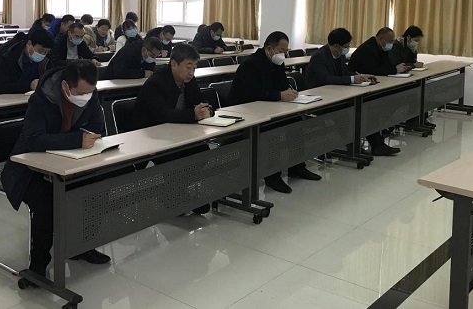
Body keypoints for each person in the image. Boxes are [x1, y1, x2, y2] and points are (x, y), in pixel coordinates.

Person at [0, 60, 113, 278]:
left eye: (90, 92)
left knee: (95, 190)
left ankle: (82, 246)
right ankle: (38, 265)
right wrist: (76, 140)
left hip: (71, 162)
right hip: (29, 167)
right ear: (64, 85)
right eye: (81, 93)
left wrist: (79, 140)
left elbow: (97, 127)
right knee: (47, 203)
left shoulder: (90, 94)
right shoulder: (41, 99)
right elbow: (34, 140)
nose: (87, 97)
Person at [229, 31, 321, 193]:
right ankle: (272, 176)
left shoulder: (277, 62)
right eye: (281, 50)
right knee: (273, 130)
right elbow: (252, 93)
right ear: (269, 48)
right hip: (244, 111)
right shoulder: (251, 64)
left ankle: (297, 166)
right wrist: (279, 95)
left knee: (296, 122)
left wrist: (288, 92)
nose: (283, 54)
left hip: (267, 107)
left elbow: (282, 84)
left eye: (285, 50)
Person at [131, 43, 213, 214]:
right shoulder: (156, 82)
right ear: (174, 64)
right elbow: (162, 115)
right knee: (176, 157)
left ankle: (172, 192)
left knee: (203, 151)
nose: (191, 72)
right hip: (150, 136)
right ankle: (173, 195)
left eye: (194, 67)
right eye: (188, 67)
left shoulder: (189, 81)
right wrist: (193, 115)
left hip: (177, 132)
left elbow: (201, 101)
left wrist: (207, 110)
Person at [305, 28, 398, 156]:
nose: (347, 49)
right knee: (346, 111)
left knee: (365, 106)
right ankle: (353, 146)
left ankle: (377, 145)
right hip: (321, 99)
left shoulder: (339, 55)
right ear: (336, 46)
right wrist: (352, 79)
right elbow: (326, 79)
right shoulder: (319, 57)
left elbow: (344, 73)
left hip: (337, 94)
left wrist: (360, 76)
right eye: (346, 46)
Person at [389, 26, 434, 129]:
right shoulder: (396, 46)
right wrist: (413, 65)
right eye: (416, 40)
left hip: (407, 76)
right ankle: (414, 121)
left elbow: (412, 61)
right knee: (416, 92)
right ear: (408, 37)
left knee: (422, 89)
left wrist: (413, 55)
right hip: (396, 78)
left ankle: (419, 119)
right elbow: (396, 64)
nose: (416, 43)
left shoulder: (409, 47)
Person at [0, 29, 54, 95]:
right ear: (29, 44)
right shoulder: (10, 57)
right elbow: (0, 86)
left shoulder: (47, 60)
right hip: (11, 98)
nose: (42, 54)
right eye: (40, 51)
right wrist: (29, 85)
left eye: (46, 52)